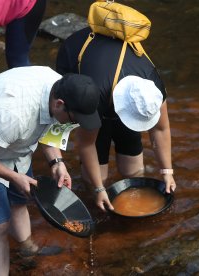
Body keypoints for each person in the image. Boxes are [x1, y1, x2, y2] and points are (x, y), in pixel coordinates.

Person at [0, 66, 99, 275]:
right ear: (59, 104)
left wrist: (57, 163)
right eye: (75, 119)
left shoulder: (63, 89)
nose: (76, 123)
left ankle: (26, 249)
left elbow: (49, 129)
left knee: (21, 199)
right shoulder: (14, 114)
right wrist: (13, 176)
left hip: (15, 141)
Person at [56, 27, 176, 212]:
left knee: (134, 171)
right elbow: (86, 143)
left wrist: (167, 172)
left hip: (114, 86)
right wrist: (98, 188)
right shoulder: (93, 93)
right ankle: (95, 201)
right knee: (96, 176)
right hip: (84, 72)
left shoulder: (153, 86)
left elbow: (160, 129)